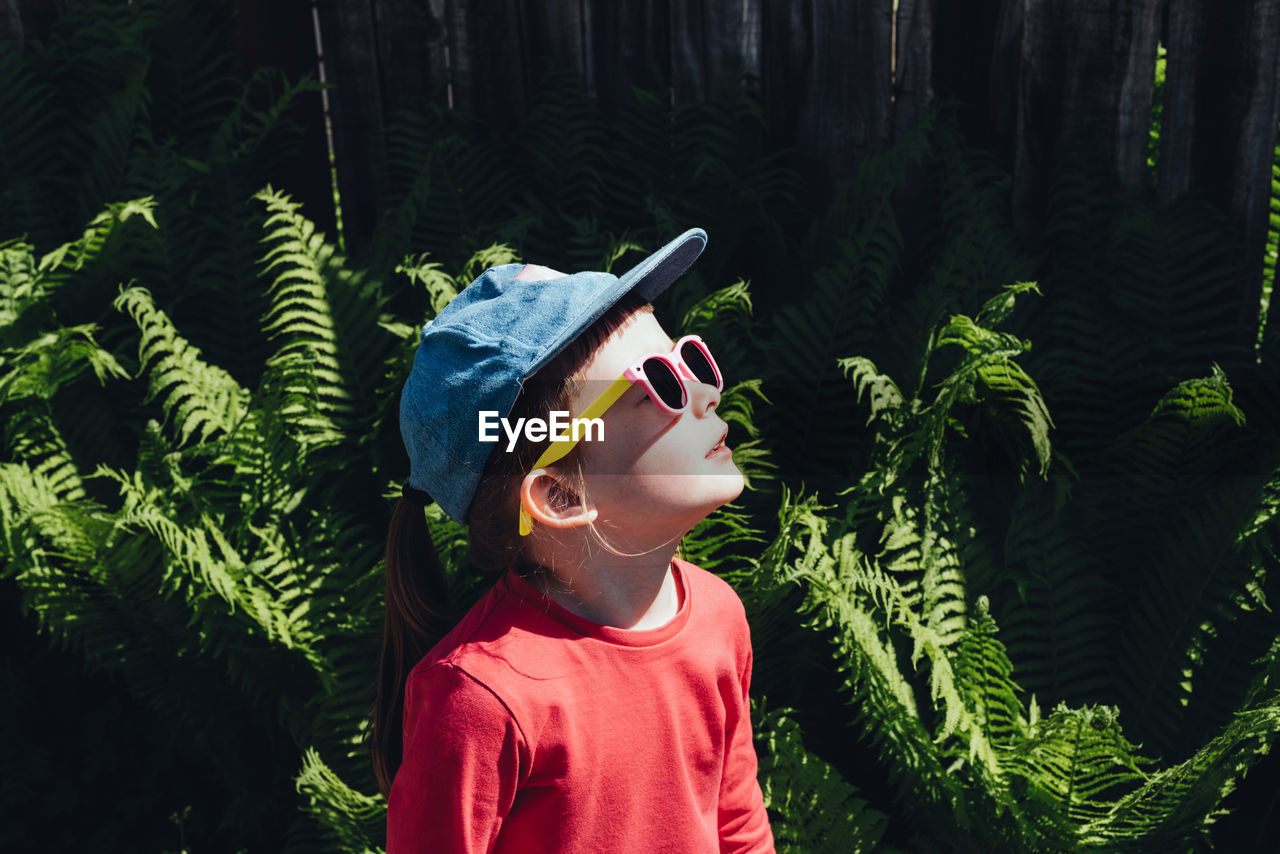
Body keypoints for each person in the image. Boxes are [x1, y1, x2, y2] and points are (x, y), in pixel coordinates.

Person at [374, 229, 775, 853]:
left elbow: (739, 827)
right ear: (562, 495)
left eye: (691, 360)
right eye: (660, 385)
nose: (707, 390)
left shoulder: (718, 618)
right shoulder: (480, 700)